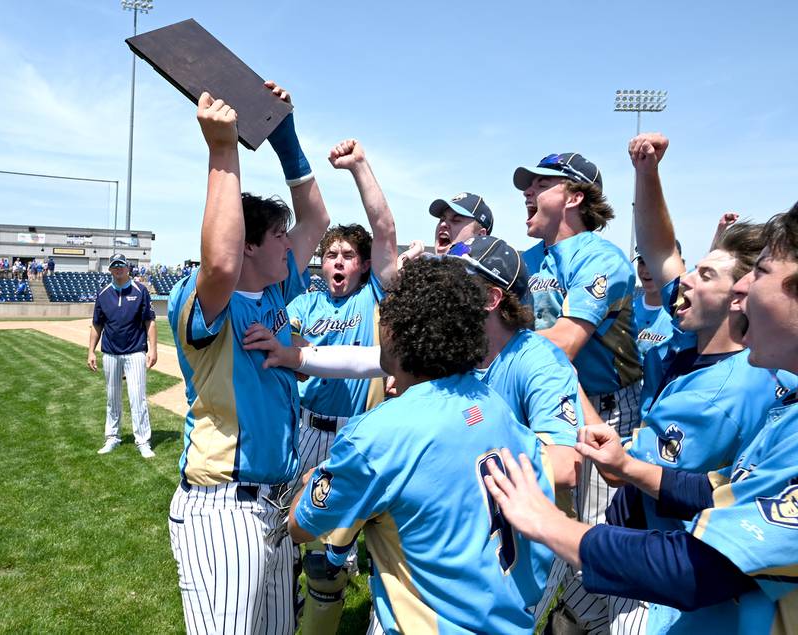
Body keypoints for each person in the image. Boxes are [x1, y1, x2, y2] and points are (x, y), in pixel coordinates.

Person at [483, 201, 798, 635]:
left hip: (665, 592)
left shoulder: (725, 394)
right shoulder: (759, 387)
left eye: (760, 273)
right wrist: (628, 465)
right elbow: (721, 490)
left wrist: (548, 523)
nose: (744, 288)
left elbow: (701, 567)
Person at [288, 257, 556, 633]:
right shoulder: (493, 403)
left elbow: (301, 525)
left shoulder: (379, 434)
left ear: (396, 330)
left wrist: (314, 479)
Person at [166, 81, 329, 635]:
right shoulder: (206, 296)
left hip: (275, 507)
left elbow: (316, 222)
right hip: (223, 506)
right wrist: (223, 150)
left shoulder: (279, 290)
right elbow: (219, 263)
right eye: (278, 236)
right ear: (251, 246)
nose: (293, 244)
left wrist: (284, 133)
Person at [513, 151, 642, 628]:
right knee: (547, 538)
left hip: (604, 417)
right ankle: (572, 619)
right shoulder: (528, 259)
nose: (527, 191)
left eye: (541, 184)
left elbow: (564, 344)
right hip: (546, 410)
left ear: (574, 196)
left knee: (598, 548)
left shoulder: (599, 256)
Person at [274, 138, 396, 634]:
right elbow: (293, 350)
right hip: (306, 431)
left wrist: (359, 168)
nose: (337, 262)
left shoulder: (376, 296)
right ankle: (289, 610)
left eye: (347, 255)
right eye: (330, 255)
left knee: (335, 560)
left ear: (363, 265)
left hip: (359, 430)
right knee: (285, 536)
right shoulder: (303, 304)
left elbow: (385, 230)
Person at [87, 252, 157, 458]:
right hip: (110, 353)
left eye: (121, 266)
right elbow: (97, 324)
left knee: (138, 398)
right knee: (112, 398)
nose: (118, 269)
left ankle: (143, 441)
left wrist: (153, 349)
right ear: (110, 269)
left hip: (135, 351)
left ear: (128, 268)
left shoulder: (140, 291)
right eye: (114, 266)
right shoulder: (103, 294)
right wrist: (91, 351)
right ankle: (112, 437)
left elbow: (149, 322)